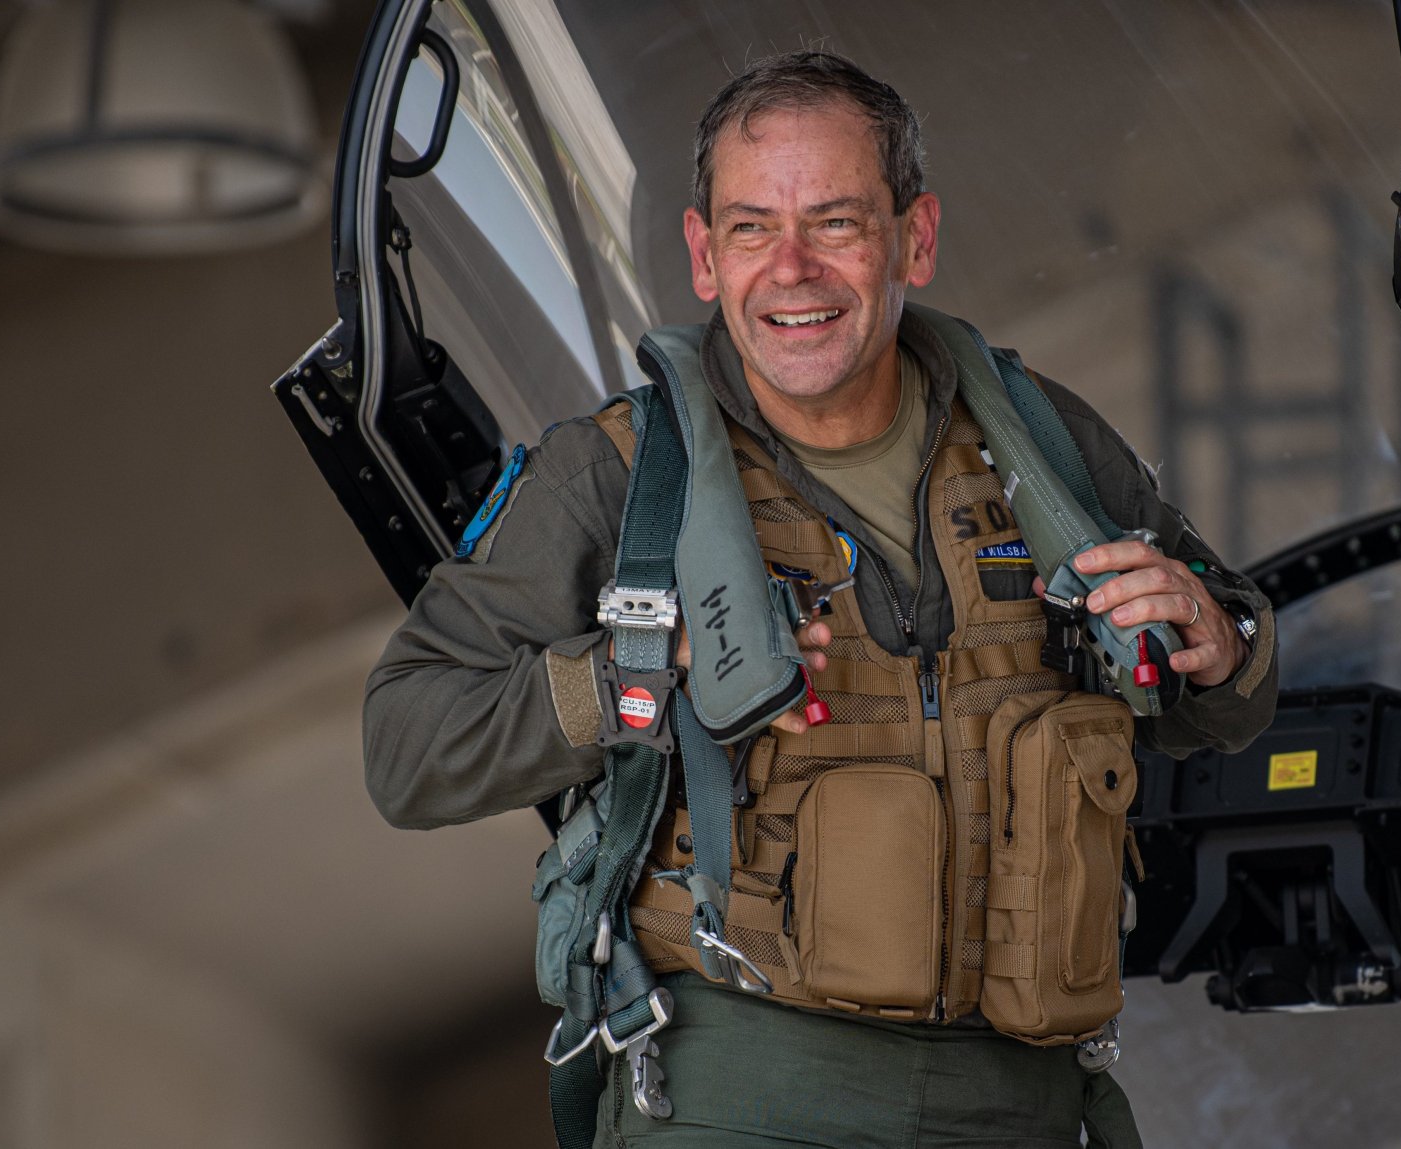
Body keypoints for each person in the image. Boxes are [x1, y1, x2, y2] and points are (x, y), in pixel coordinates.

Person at [364, 50, 1277, 1149]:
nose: (789, 269)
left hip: (1024, 1096)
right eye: (751, 228)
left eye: (835, 223)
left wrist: (1219, 646)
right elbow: (406, 744)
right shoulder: (620, 477)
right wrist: (630, 684)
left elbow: (1218, 707)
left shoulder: (1043, 445)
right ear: (703, 256)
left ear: (914, 238)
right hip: (743, 1092)